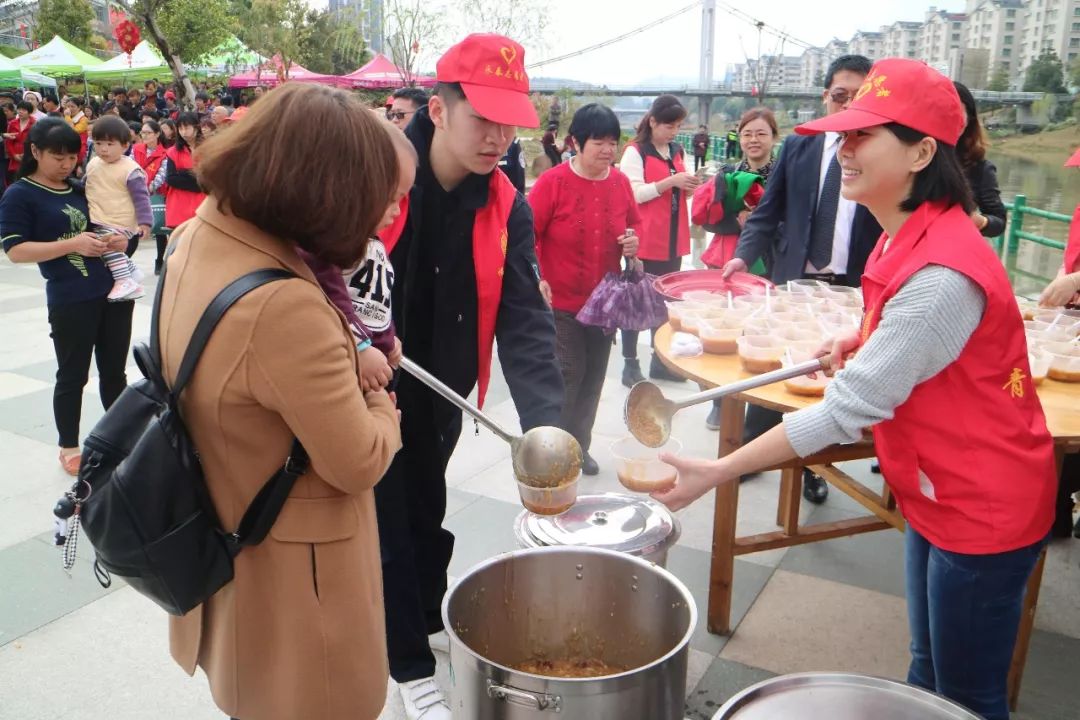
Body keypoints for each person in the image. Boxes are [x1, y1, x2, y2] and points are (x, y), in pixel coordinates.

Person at [654, 58, 1055, 720]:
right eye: (842, 135)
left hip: (983, 506)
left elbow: (845, 412)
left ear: (923, 151)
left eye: (863, 136)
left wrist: (719, 470)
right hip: (938, 486)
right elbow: (902, 333)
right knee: (928, 666)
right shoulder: (909, 236)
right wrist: (859, 341)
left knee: (970, 696)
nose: (842, 150)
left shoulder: (941, 276)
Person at [158, 83, 402, 720]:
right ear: (327, 192)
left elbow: (249, 372)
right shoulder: (284, 303)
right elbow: (357, 461)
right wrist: (382, 405)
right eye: (378, 199)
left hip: (227, 531)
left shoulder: (196, 238)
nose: (384, 215)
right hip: (297, 580)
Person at [378, 33, 563, 719]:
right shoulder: (378, 175)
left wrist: (550, 430)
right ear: (438, 108)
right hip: (368, 379)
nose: (496, 138)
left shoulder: (506, 202)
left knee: (428, 506)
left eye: (507, 122)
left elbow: (524, 320)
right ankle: (409, 665)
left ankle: (427, 614)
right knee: (387, 522)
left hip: (444, 385)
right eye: (481, 118)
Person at [721, 55, 882, 504]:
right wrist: (742, 256)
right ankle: (750, 455)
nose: (847, 103)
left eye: (859, 96)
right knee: (778, 369)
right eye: (839, 94)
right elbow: (767, 212)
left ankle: (814, 466)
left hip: (851, 287)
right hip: (795, 281)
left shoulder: (877, 151)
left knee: (830, 380)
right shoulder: (799, 147)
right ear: (824, 96)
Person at [0, 118, 133, 476]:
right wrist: (72, 244)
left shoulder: (79, 189)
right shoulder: (20, 194)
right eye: (57, 156)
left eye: (72, 156)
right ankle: (69, 446)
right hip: (71, 297)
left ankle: (120, 440)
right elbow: (15, 250)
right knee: (73, 375)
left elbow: (106, 225)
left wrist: (121, 239)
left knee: (114, 374)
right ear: (34, 152)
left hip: (113, 291)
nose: (66, 164)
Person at [529, 103, 641, 476]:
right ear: (576, 142)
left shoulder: (621, 183)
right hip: (560, 301)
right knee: (568, 375)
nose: (608, 150)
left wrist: (631, 245)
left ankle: (580, 448)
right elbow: (527, 236)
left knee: (593, 379)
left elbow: (632, 230)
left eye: (613, 142)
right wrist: (537, 276)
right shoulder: (553, 183)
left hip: (604, 303)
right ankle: (555, 452)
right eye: (598, 142)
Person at [692, 107, 778, 431]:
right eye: (747, 134)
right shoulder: (727, 173)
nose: (754, 140)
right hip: (730, 264)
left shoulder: (782, 176)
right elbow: (710, 221)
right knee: (725, 332)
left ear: (773, 137)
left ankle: (757, 408)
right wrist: (737, 221)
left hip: (769, 264)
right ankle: (721, 402)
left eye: (761, 133)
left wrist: (757, 224)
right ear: (739, 138)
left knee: (758, 335)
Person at [618, 94, 699, 387]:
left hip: (672, 238)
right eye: (668, 126)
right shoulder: (635, 151)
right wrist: (671, 182)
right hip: (645, 239)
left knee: (665, 304)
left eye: (677, 126)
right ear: (652, 121)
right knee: (636, 304)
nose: (673, 132)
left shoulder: (677, 150)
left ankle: (660, 361)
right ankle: (630, 363)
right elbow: (634, 194)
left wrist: (689, 187)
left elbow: (678, 191)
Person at [83, 115, 152, 301]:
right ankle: (131, 270)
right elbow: (86, 184)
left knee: (106, 246)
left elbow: (141, 197)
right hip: (101, 215)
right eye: (98, 143)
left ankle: (124, 280)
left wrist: (145, 222)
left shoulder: (130, 169)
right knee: (106, 245)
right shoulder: (93, 163)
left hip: (120, 219)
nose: (103, 149)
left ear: (124, 145)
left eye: (110, 144)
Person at [953, 82, 1005, 239]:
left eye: (955, 110)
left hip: (954, 252)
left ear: (969, 118)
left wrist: (980, 221)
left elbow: (999, 221)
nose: (948, 117)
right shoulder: (909, 157)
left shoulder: (980, 168)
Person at [154, 111, 204, 230]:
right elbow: (171, 179)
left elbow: (211, 176)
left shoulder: (209, 148)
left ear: (197, 127)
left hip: (203, 204)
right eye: (180, 128)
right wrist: (196, 176)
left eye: (186, 128)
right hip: (180, 205)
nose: (184, 132)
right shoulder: (173, 151)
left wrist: (183, 173)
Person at [133, 120, 168, 274]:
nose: (144, 135)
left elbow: (162, 175)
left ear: (157, 134)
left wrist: (148, 188)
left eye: (148, 133)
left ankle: (161, 258)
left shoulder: (165, 153)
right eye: (143, 132)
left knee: (159, 226)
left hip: (156, 193)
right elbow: (132, 168)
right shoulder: (136, 149)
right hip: (137, 192)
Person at [4, 101, 34, 184]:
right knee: (13, 180)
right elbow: (9, 142)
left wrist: (27, 154)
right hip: (14, 157)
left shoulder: (34, 124)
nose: (20, 111)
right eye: (19, 109)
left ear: (29, 112)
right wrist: (14, 155)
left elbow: (36, 142)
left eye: (24, 110)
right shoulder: (12, 124)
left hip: (29, 157)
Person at [62, 97, 89, 164]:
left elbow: (73, 132)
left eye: (72, 106)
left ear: (79, 107)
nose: (70, 109)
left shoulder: (83, 119)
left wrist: (67, 116)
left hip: (80, 153)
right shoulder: (66, 117)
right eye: (68, 106)